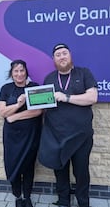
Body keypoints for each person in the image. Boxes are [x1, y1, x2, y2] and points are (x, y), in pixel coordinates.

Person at [38, 44, 98, 207]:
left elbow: (92, 97)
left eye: (65, 53)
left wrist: (66, 97)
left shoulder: (84, 73)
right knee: (60, 170)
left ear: (70, 56)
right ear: (54, 59)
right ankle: (64, 201)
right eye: (58, 54)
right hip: (56, 135)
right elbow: (43, 104)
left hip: (81, 136)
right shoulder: (49, 78)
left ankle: (83, 203)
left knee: (81, 172)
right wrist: (28, 100)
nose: (62, 56)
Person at [0, 59, 43, 207]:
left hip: (31, 134)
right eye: (16, 71)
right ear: (11, 74)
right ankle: (18, 196)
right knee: (13, 164)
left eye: (22, 70)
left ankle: (27, 196)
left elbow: (38, 111)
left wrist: (14, 116)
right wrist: (19, 104)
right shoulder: (6, 89)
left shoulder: (34, 87)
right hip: (12, 136)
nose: (19, 74)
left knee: (28, 165)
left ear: (26, 72)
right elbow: (3, 112)